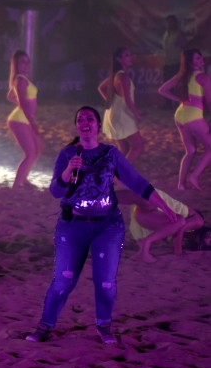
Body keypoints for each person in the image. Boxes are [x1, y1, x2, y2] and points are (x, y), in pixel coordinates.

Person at [26, 106, 178, 345]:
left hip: (107, 226)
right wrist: (67, 171)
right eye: (80, 119)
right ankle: (45, 326)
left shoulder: (111, 154)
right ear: (77, 126)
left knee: (105, 282)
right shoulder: (67, 154)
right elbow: (56, 191)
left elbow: (137, 183)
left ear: (98, 126)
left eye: (90, 119)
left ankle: (104, 325)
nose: (85, 122)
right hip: (72, 225)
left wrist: (166, 207)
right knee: (63, 279)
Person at [158, 48, 211, 190]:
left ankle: (181, 184)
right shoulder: (203, 77)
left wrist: (179, 99)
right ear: (190, 62)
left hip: (180, 115)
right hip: (194, 117)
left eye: (201, 57)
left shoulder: (182, 75)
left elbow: (162, 90)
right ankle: (194, 176)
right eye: (197, 59)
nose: (201, 60)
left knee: (191, 150)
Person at [117, 188, 203, 263]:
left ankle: (107, 195)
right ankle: (146, 245)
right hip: (150, 209)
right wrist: (179, 252)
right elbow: (180, 229)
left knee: (141, 197)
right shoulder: (199, 221)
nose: (209, 237)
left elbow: (171, 230)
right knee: (180, 221)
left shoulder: (184, 226)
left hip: (148, 214)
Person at [97, 47, 144, 162]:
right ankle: (121, 174)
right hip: (122, 116)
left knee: (124, 148)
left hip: (113, 115)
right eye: (127, 55)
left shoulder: (116, 75)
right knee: (138, 146)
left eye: (130, 54)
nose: (130, 57)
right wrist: (137, 115)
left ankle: (114, 174)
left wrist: (113, 101)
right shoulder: (123, 77)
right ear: (119, 59)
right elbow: (128, 101)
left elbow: (101, 88)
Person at [6, 50, 42, 189]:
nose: (26, 64)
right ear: (16, 64)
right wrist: (33, 122)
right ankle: (16, 185)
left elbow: (10, 96)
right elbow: (23, 103)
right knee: (30, 153)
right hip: (20, 120)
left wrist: (26, 109)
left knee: (37, 149)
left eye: (28, 61)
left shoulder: (22, 78)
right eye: (22, 61)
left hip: (24, 118)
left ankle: (24, 179)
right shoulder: (20, 80)